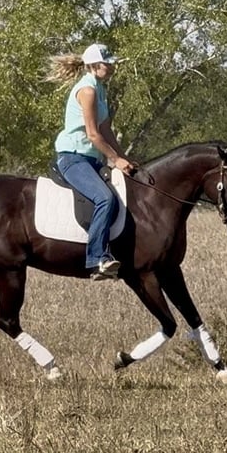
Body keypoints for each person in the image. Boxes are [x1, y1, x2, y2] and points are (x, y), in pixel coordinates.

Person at [47, 43, 136, 280]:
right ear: (95, 65)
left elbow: (106, 130)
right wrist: (115, 159)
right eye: (108, 63)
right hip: (73, 157)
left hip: (92, 160)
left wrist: (123, 158)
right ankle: (97, 259)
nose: (112, 67)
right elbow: (93, 134)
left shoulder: (100, 89)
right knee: (104, 198)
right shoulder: (87, 90)